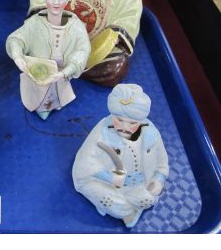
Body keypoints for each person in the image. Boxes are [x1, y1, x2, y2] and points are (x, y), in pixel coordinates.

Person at [72, 84, 169, 228]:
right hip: (105, 182)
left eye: (132, 123)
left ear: (141, 121)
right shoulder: (102, 132)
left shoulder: (151, 134)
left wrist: (158, 179)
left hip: (136, 184)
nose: (125, 126)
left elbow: (162, 161)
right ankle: (111, 204)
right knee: (118, 207)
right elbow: (84, 162)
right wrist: (110, 178)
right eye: (119, 120)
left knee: (148, 199)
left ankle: (127, 205)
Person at [6, 0, 90, 119]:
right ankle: (40, 104)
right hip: (39, 70)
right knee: (40, 90)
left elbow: (83, 49)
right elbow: (17, 38)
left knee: (59, 90)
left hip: (62, 71)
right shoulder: (35, 22)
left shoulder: (76, 25)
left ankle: (57, 101)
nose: (56, 3)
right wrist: (18, 56)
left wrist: (66, 71)